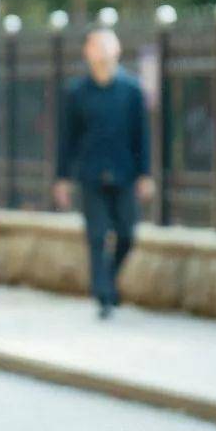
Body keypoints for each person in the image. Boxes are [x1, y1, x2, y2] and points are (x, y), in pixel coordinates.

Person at [52, 27, 154, 320]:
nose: (101, 52)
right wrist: (63, 178)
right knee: (96, 235)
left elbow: (142, 136)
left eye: (106, 46)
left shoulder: (132, 91)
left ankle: (107, 280)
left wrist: (145, 175)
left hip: (124, 174)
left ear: (117, 50)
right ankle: (104, 296)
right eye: (95, 46)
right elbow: (67, 139)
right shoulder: (77, 93)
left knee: (126, 233)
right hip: (90, 174)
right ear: (87, 52)